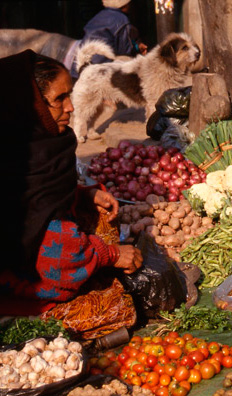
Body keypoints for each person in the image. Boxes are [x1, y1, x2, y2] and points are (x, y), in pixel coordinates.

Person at [0, 50, 143, 316]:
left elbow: (38, 200)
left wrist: (82, 195)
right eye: (59, 99)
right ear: (30, 106)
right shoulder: (14, 158)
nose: (71, 107)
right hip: (21, 282)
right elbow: (56, 258)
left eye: (69, 94)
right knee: (115, 310)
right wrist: (109, 254)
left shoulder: (42, 147)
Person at [70, 0, 147, 78]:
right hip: (97, 74)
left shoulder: (99, 16)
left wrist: (136, 45)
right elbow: (125, 51)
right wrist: (137, 48)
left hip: (78, 71)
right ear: (125, 5)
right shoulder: (121, 20)